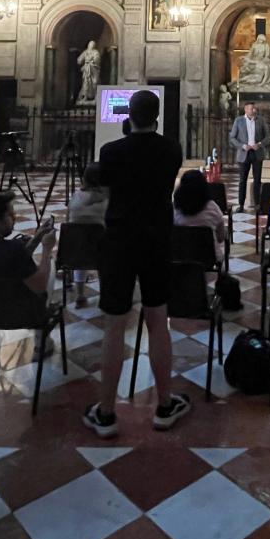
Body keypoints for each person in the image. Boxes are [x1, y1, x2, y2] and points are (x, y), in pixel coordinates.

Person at [85, 90, 190, 438]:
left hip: (118, 241)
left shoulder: (110, 152)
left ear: (128, 115)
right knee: (158, 321)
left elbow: (105, 189)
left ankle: (106, 412)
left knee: (114, 325)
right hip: (157, 240)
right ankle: (164, 405)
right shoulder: (171, 150)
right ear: (157, 117)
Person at [66, 162, 108, 308]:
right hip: (100, 252)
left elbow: (68, 221)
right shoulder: (106, 201)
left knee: (81, 245)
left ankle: (80, 294)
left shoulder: (75, 197)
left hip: (74, 253)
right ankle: (105, 294)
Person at [173, 169, 227, 259]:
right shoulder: (213, 207)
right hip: (209, 257)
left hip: (182, 257)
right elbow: (220, 237)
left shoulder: (176, 209)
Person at [228, 100, 268, 212]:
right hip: (244, 153)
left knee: (257, 180)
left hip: (257, 153)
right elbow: (232, 138)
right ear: (245, 109)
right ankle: (241, 205)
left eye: (254, 108)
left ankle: (257, 205)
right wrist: (242, 146)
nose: (254, 110)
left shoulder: (261, 120)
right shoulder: (239, 120)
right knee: (242, 180)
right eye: (251, 108)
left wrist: (259, 144)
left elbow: (268, 137)